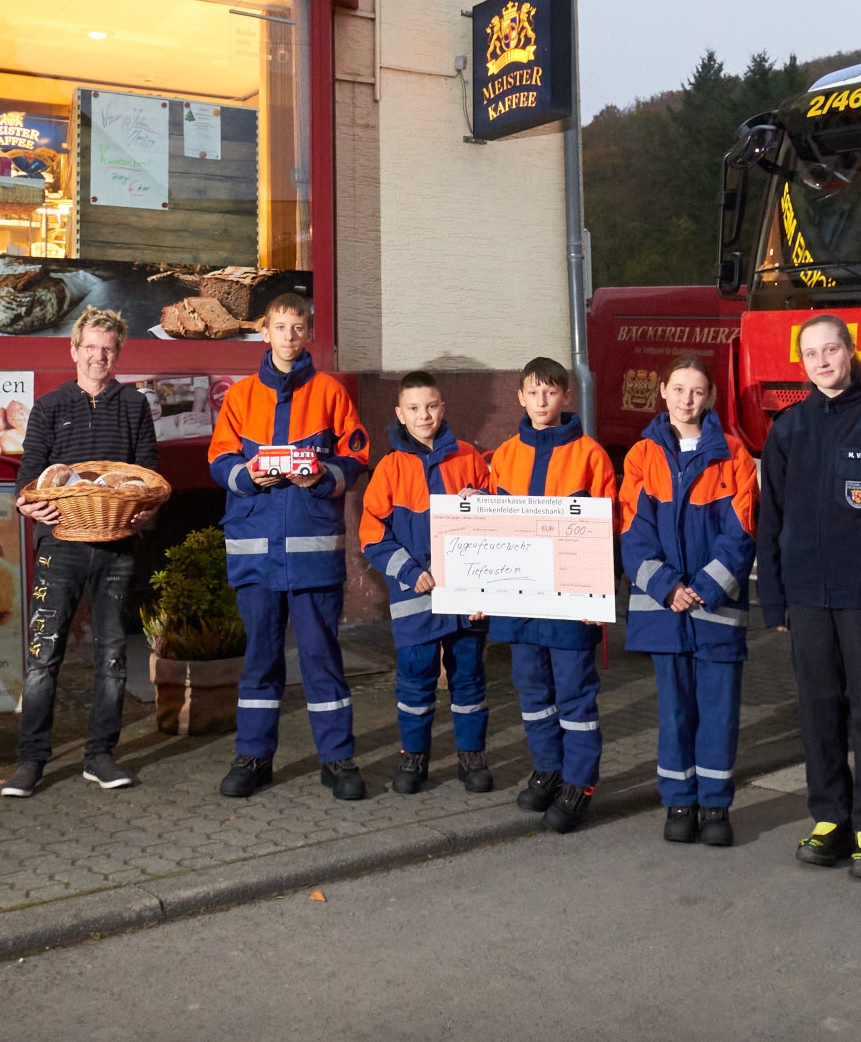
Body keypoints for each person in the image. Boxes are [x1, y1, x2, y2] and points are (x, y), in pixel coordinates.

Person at [759, 315, 861, 880]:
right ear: (802, 362)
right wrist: (774, 601)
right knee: (818, 711)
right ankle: (830, 818)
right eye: (811, 353)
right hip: (805, 597)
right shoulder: (788, 430)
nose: (822, 361)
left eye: (831, 349)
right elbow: (770, 520)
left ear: (851, 352)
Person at [209, 293, 372, 800]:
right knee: (260, 659)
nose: (289, 336)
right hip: (256, 550)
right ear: (265, 332)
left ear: (308, 334)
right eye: (280, 327)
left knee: (323, 659)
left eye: (298, 327)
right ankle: (254, 757)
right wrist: (248, 475)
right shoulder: (239, 397)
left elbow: (358, 453)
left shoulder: (330, 393)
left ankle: (338, 760)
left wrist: (324, 474)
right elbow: (218, 459)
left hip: (313, 553)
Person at [5, 307, 161, 798]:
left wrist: (145, 514)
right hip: (61, 546)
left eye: (108, 348)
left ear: (118, 353)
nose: (99, 356)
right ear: (73, 350)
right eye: (90, 347)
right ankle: (31, 761)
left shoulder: (134, 405)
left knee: (113, 654)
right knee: (42, 655)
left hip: (116, 547)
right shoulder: (50, 406)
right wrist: (29, 507)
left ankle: (100, 755)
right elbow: (28, 477)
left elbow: (148, 476)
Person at [619, 354, 758, 847]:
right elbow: (632, 535)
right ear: (662, 392)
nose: (686, 400)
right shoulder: (641, 456)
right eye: (678, 389)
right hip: (664, 611)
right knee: (675, 712)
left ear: (711, 398)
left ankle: (716, 807)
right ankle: (679, 801)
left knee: (718, 711)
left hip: (715, 611)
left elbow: (741, 534)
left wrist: (703, 587)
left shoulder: (734, 456)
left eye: (697, 391)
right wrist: (668, 588)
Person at [487, 356, 618, 834]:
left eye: (551, 392)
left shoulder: (591, 455)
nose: (542, 401)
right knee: (532, 691)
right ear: (520, 397)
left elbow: (610, 530)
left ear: (566, 396)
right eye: (533, 392)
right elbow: (492, 532)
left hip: (569, 601)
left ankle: (580, 781)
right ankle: (548, 767)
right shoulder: (503, 456)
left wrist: (599, 598)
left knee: (575, 693)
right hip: (521, 600)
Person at [358, 371, 495, 794]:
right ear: (400, 413)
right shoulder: (389, 467)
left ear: (443, 407)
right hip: (414, 592)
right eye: (414, 408)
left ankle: (471, 757)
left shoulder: (469, 458)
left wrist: (486, 503)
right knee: (415, 677)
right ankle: (414, 758)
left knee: (468, 675)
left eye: (431, 406)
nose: (424, 415)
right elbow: (372, 534)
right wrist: (410, 572)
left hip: (466, 593)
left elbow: (498, 523)